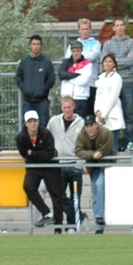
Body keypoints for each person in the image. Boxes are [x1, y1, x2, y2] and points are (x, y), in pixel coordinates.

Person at [16, 110, 63, 232]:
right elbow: (24, 154)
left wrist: (34, 153)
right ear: (26, 123)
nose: (33, 124)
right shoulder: (21, 137)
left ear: (38, 122)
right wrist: (37, 155)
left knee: (56, 195)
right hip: (34, 166)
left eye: (35, 121)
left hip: (50, 166)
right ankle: (47, 213)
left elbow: (50, 153)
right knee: (28, 186)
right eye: (30, 121)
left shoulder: (46, 133)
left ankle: (58, 227)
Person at [47, 96, 85, 234]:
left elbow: (84, 144)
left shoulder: (81, 123)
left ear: (74, 106)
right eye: (64, 107)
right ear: (61, 107)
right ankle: (68, 222)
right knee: (59, 197)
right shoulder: (53, 121)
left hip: (75, 164)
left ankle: (72, 225)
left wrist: (81, 164)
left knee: (76, 197)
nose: (67, 110)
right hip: (58, 164)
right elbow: (48, 138)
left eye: (69, 107)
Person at [100, 18, 133, 150]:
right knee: (111, 113)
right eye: (117, 25)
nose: (120, 28)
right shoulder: (108, 44)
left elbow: (130, 61)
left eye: (122, 25)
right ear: (113, 28)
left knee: (128, 114)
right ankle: (113, 143)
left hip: (126, 82)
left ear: (124, 27)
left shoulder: (132, 43)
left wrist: (113, 62)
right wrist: (120, 60)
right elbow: (104, 60)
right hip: (111, 83)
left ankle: (130, 142)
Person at [75, 115, 114, 234]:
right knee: (95, 192)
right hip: (92, 167)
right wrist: (92, 155)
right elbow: (78, 150)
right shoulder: (82, 135)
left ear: (96, 125)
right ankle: (99, 225)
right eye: (87, 126)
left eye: (91, 125)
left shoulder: (106, 133)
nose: (89, 128)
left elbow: (108, 148)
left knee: (99, 185)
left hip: (105, 165)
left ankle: (99, 217)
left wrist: (101, 153)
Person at [16, 35, 55, 127]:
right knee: (27, 126)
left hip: (42, 101)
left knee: (43, 125)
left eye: (38, 44)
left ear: (41, 46)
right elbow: (18, 77)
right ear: (30, 46)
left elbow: (51, 79)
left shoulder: (47, 62)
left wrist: (43, 90)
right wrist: (24, 88)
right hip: (27, 101)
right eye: (34, 44)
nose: (36, 46)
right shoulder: (24, 62)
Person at [65, 18, 102, 116]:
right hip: (76, 84)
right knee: (76, 114)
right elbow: (68, 60)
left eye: (87, 29)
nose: (85, 31)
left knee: (90, 113)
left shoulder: (96, 43)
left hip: (91, 83)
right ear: (79, 30)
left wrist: (77, 56)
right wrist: (86, 55)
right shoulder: (72, 44)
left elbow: (92, 57)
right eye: (82, 29)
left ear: (90, 30)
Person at [94, 53, 125, 155]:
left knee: (112, 141)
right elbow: (97, 95)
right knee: (101, 142)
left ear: (114, 64)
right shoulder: (101, 77)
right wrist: (97, 111)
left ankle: (113, 165)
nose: (107, 64)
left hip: (112, 113)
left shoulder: (117, 78)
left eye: (110, 62)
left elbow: (113, 97)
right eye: (105, 61)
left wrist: (104, 114)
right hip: (100, 113)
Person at [58, 40, 92, 117]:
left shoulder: (87, 63)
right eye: (73, 51)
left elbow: (84, 81)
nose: (76, 53)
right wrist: (76, 75)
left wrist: (67, 77)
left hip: (80, 98)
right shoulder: (66, 62)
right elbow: (61, 75)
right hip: (66, 98)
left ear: (81, 51)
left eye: (78, 51)